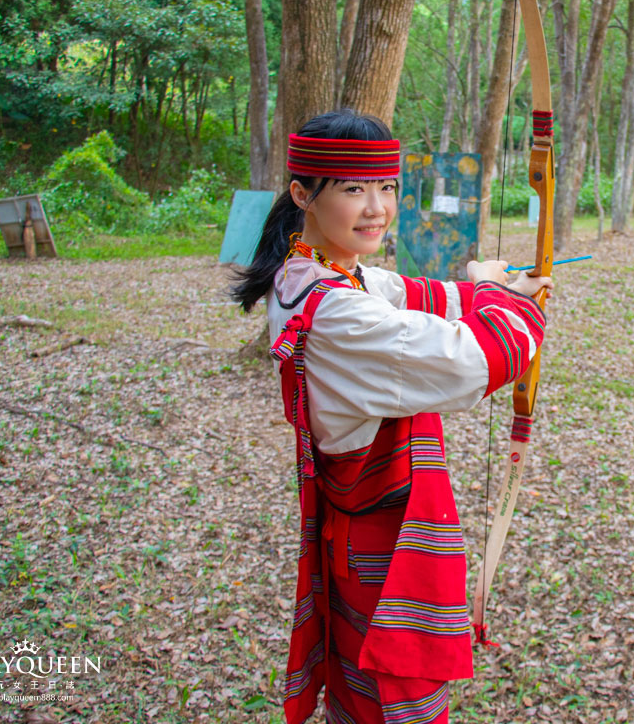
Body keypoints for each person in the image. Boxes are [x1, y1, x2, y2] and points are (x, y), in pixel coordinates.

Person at [231, 109, 551, 724]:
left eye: (387, 188)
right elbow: (476, 360)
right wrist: (507, 302)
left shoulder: (315, 274)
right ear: (303, 194)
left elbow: (419, 297)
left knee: (364, 696)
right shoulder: (337, 312)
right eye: (353, 189)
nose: (376, 207)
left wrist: (488, 285)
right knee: (392, 698)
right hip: (384, 555)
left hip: (362, 538)